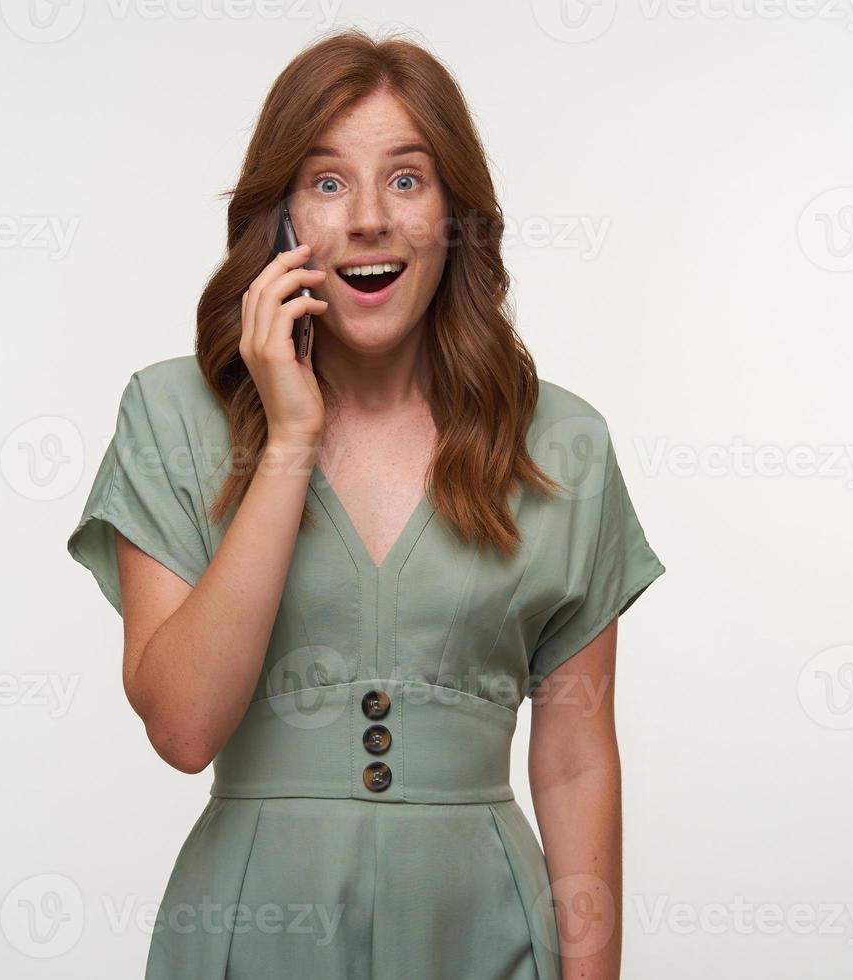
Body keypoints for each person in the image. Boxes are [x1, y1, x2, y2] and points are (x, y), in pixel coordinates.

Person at [67, 27, 666, 980]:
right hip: (252, 935)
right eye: (328, 181)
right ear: (282, 219)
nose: (369, 220)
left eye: (407, 178)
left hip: (484, 934)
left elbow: (577, 762)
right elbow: (182, 727)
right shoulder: (171, 415)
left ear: (453, 214)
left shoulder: (564, 444)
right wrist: (290, 440)